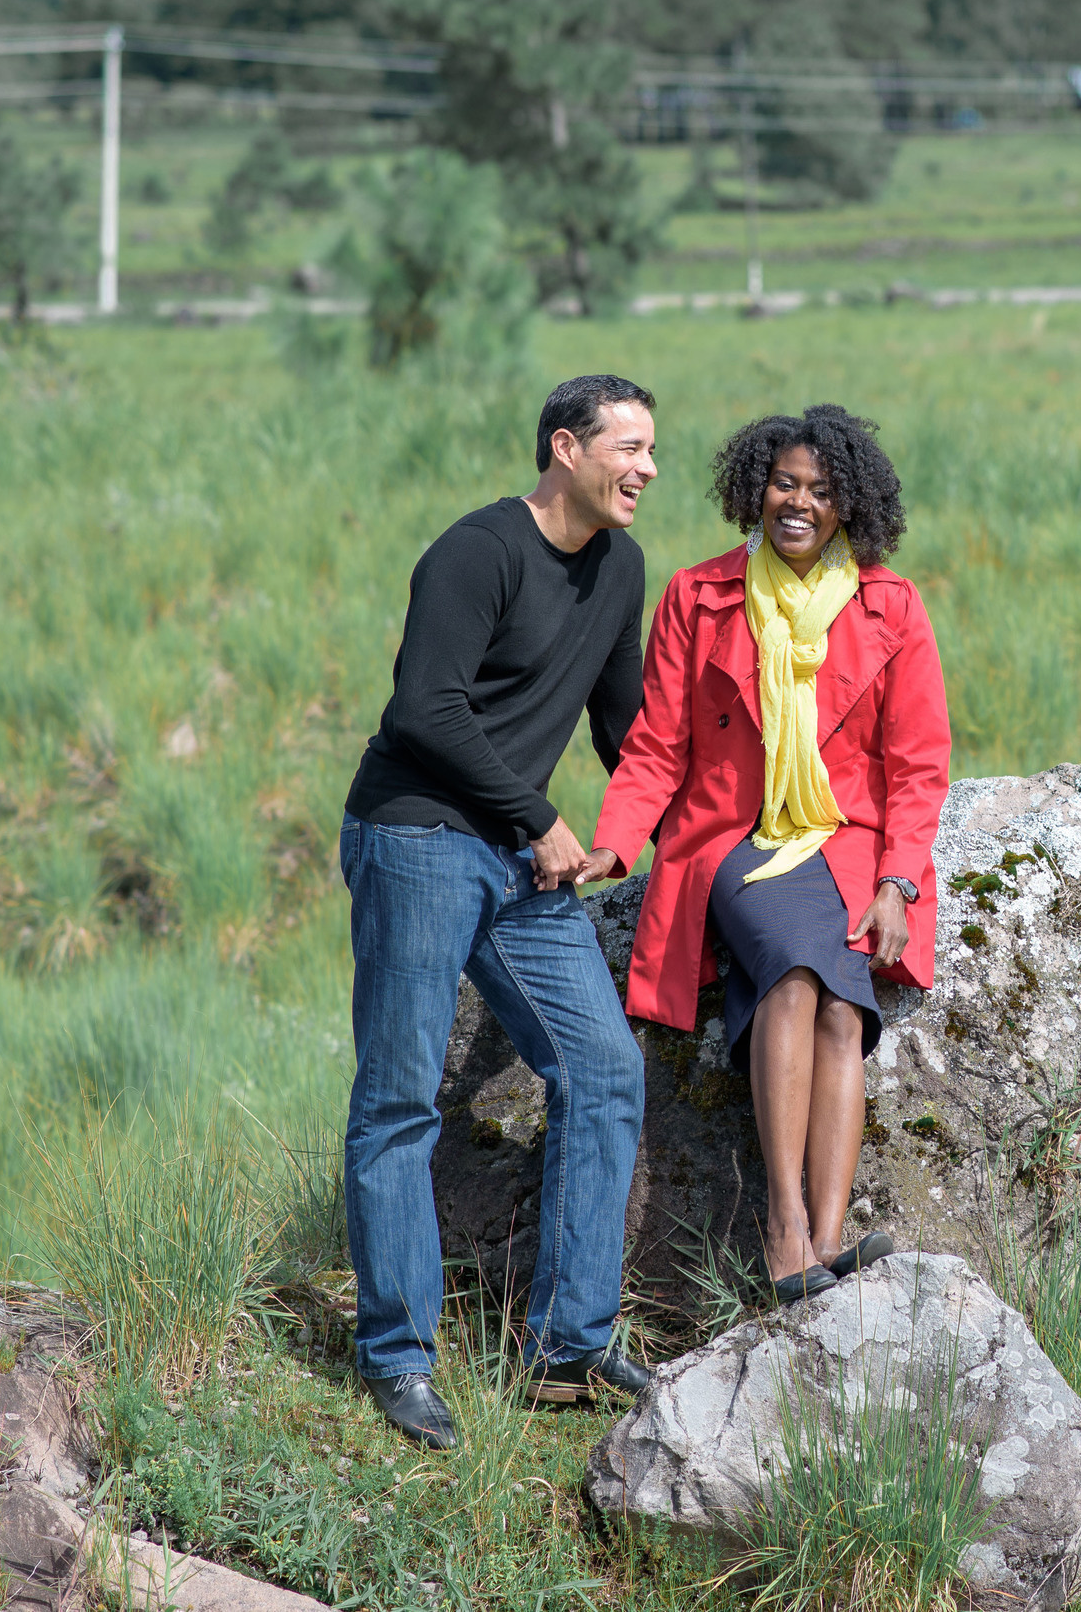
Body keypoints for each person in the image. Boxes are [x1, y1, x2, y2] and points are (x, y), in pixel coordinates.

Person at [338, 374, 661, 1450]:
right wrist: (537, 812)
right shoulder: (479, 551)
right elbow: (422, 706)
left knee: (604, 1068)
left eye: (653, 448)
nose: (647, 468)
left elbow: (629, 727)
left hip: (521, 864)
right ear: (564, 448)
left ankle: (567, 1347)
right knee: (398, 1097)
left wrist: (672, 822)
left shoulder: (620, 567)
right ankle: (397, 1357)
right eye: (628, 446)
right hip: (419, 837)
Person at [583, 404, 950, 1303]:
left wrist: (899, 881)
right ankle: (782, 1226)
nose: (799, 502)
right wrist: (614, 842)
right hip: (737, 837)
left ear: (848, 508)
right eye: (784, 483)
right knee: (788, 973)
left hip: (850, 842)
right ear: (756, 489)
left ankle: (825, 1247)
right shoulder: (697, 596)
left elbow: (918, 762)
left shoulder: (890, 604)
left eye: (822, 492)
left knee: (841, 1009)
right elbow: (659, 747)